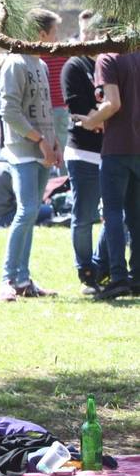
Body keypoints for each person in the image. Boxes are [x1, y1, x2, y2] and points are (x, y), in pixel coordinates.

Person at [0, 9, 62, 301]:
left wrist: (54, 141)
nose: (56, 39)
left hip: (44, 149)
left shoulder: (42, 65)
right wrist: (39, 140)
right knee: (26, 211)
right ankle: (7, 279)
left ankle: (23, 280)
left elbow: (45, 108)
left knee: (33, 212)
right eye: (53, 33)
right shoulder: (15, 63)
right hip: (23, 151)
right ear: (40, 34)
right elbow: (9, 111)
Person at [80, 43, 140, 299]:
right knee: (136, 216)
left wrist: (90, 120)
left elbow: (112, 102)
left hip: (117, 147)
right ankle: (137, 276)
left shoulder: (107, 58)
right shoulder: (136, 56)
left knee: (113, 213)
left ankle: (117, 276)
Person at [61, 51, 105, 291]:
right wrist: (111, 119)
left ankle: (101, 265)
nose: (91, 35)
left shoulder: (109, 64)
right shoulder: (75, 65)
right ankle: (86, 271)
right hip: (83, 152)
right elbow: (80, 112)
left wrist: (101, 120)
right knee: (85, 215)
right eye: (86, 29)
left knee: (116, 215)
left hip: (111, 151)